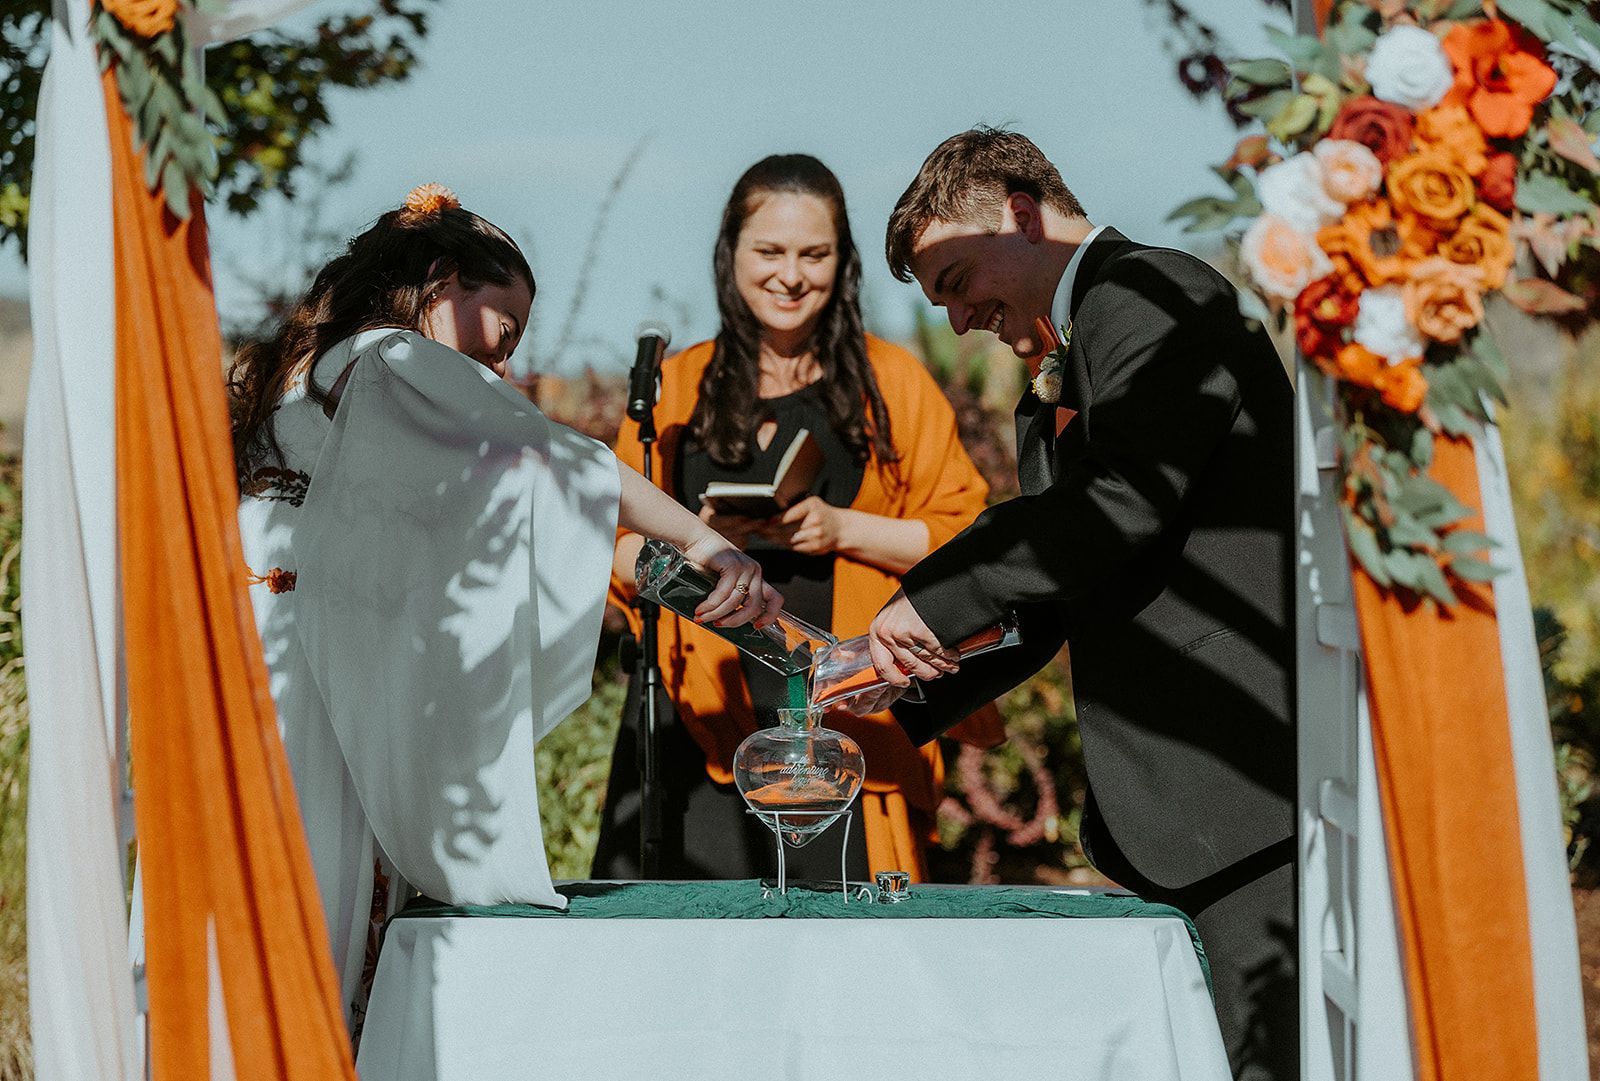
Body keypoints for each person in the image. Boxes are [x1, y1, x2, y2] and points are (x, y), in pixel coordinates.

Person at [230, 184, 778, 1024]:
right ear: (443, 281)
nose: (504, 367)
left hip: (270, 646)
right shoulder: (389, 355)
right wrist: (706, 541)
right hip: (305, 673)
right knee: (317, 887)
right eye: (503, 331)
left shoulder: (315, 369)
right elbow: (550, 457)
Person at [864, 129, 1297, 1080]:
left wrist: (930, 600)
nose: (962, 317)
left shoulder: (1154, 294)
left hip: (1242, 784)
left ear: (1022, 213)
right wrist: (891, 684)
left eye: (958, 278)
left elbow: (1119, 503)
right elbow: (1067, 588)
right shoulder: (1068, 359)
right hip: (1175, 809)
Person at [595, 154, 1002, 883]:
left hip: (850, 737)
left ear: (843, 261)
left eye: (815, 254)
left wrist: (840, 529)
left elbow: (966, 537)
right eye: (769, 252)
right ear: (731, 255)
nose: (791, 275)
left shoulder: (894, 383)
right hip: (694, 725)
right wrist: (702, 549)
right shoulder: (676, 387)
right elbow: (610, 541)